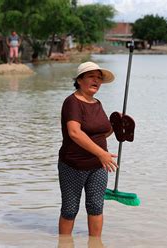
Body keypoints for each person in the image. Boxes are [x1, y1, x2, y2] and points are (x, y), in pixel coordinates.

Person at [58, 61, 118, 237]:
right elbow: (75, 133)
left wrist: (117, 126)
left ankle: (95, 243)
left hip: (98, 166)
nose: (96, 81)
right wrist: (102, 154)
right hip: (73, 165)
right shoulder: (72, 102)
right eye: (92, 76)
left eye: (99, 78)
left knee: (96, 207)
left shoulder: (97, 103)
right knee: (70, 209)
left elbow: (101, 134)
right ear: (80, 80)